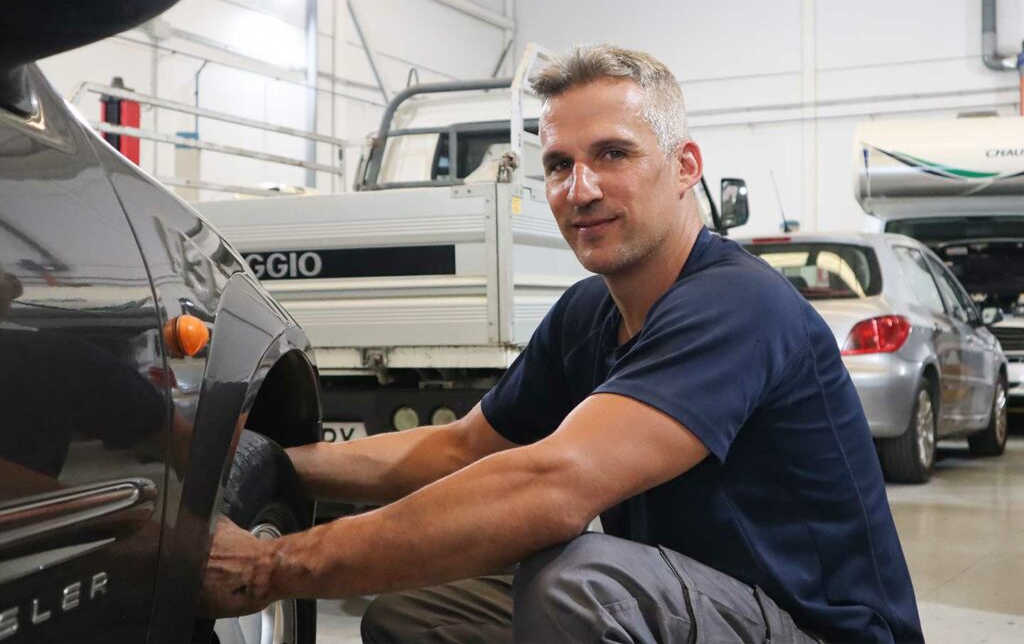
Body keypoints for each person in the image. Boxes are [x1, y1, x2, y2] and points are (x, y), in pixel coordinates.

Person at [199, 45, 923, 643]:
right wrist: (271, 464)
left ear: (685, 166)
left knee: (578, 584)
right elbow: (457, 448)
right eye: (557, 164)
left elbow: (552, 486)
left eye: (613, 154)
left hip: (816, 631)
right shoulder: (588, 314)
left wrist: (276, 565)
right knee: (419, 616)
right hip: (703, 606)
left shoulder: (737, 305)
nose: (580, 188)